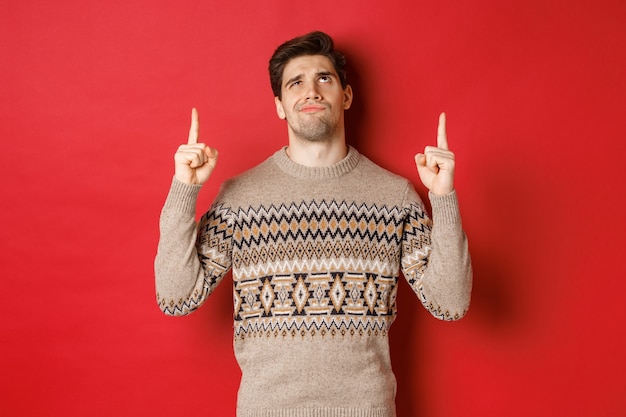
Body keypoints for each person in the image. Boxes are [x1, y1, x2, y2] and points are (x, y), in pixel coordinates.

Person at [155, 31, 472, 417]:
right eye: (296, 82)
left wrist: (443, 197)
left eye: (324, 78)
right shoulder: (240, 197)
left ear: (347, 95)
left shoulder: (395, 197)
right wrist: (183, 188)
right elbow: (175, 297)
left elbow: (450, 304)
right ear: (279, 105)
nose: (312, 91)